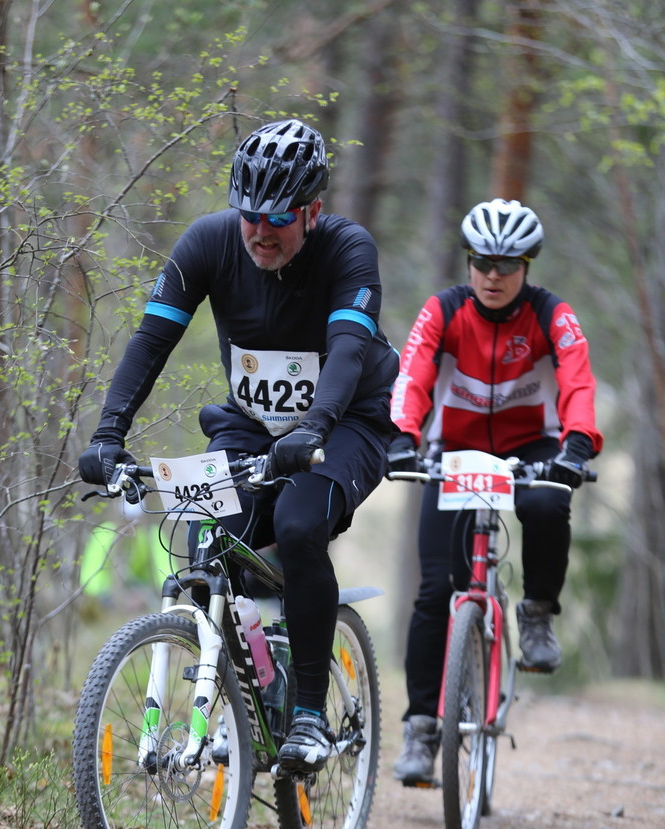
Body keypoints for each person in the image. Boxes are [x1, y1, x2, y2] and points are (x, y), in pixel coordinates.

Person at [78, 119, 398, 773]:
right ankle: (244, 693)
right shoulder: (209, 242)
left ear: (311, 210)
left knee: (300, 523)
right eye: (248, 214)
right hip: (251, 423)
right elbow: (150, 342)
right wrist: (109, 432)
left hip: (348, 421)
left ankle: (309, 713)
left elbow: (346, 352)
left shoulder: (347, 250)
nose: (259, 231)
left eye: (278, 218)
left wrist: (312, 428)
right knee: (205, 538)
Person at [388, 197, 603, 786]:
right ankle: (421, 728)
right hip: (452, 454)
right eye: (482, 262)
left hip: (531, 447)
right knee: (435, 592)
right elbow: (412, 375)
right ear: (469, 261)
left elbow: (579, 380)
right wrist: (402, 437)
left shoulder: (551, 314)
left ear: (527, 266)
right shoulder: (444, 310)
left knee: (546, 500)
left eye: (507, 265)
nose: (492, 276)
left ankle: (535, 613)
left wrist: (578, 446)